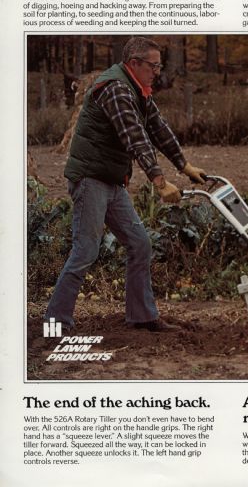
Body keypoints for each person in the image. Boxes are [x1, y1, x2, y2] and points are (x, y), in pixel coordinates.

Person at [45, 36, 206, 332]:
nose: (158, 71)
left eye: (159, 66)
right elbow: (134, 136)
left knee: (139, 244)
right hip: (90, 179)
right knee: (86, 250)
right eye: (153, 66)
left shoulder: (138, 88)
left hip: (111, 180)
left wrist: (184, 165)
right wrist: (159, 181)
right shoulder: (116, 88)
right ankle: (55, 323)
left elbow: (157, 127)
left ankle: (142, 316)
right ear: (135, 63)